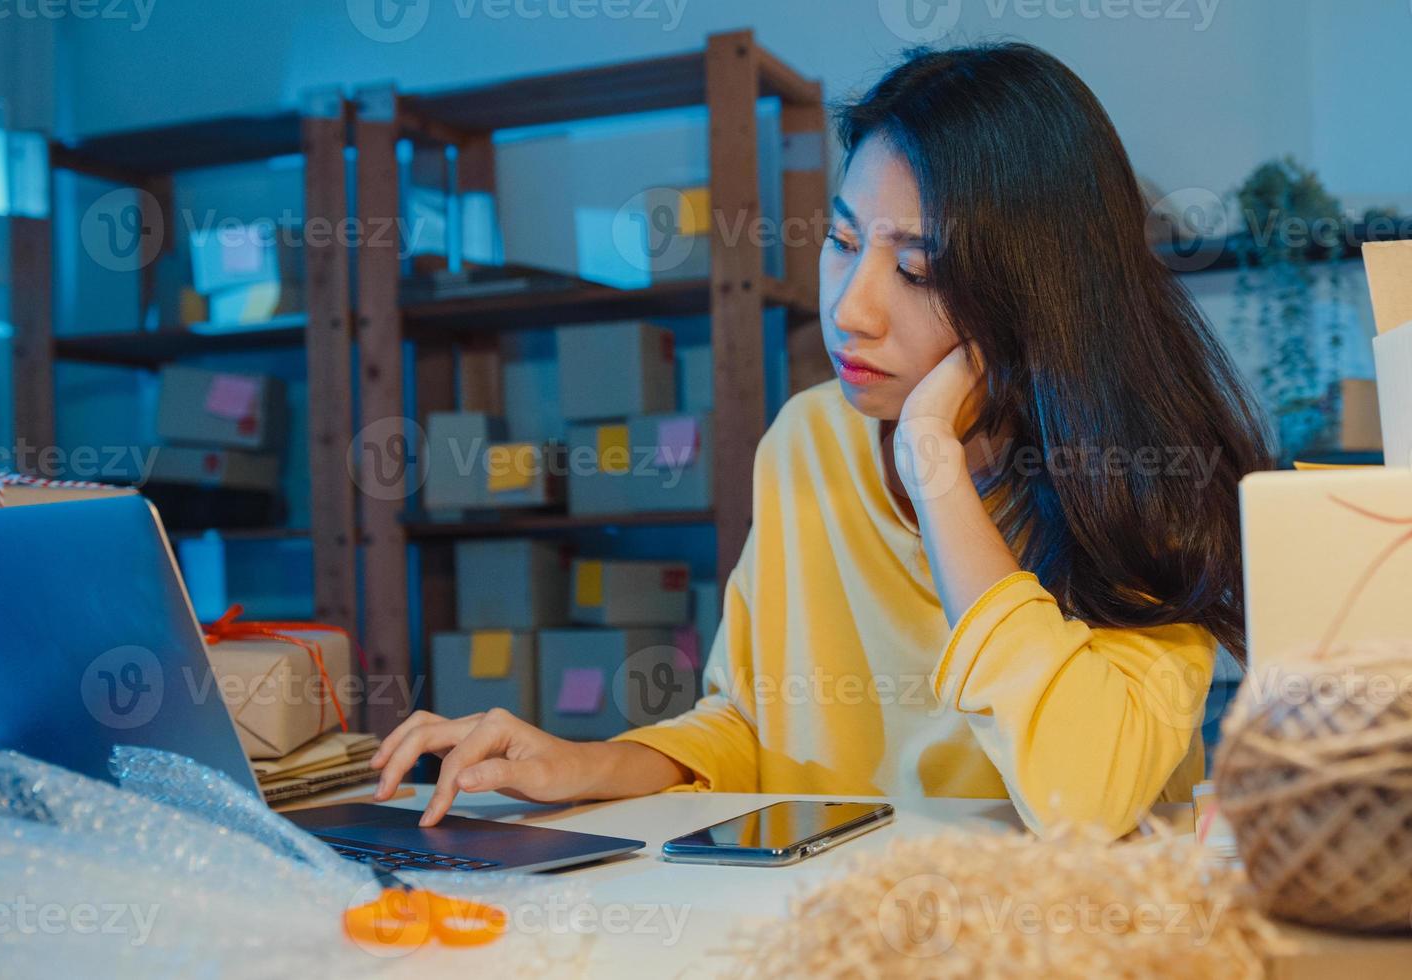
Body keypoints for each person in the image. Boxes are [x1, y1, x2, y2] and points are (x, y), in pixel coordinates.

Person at [370, 41, 1270, 839]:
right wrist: (585, 764)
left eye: (918, 269)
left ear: (1041, 298)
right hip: (837, 925)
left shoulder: (1141, 479)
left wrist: (934, 464)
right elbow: (750, 725)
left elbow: (1088, 797)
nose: (849, 307)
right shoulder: (808, 440)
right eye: (842, 240)